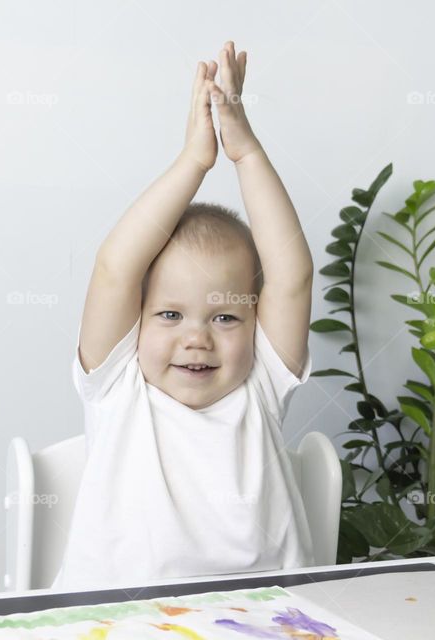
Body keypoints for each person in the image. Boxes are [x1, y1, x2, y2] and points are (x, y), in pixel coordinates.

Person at [52, 40, 316, 592]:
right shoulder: (118, 388)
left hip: (264, 623)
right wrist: (195, 161)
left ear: (255, 324)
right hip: (118, 625)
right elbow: (114, 269)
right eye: (170, 314)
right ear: (136, 323)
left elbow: (291, 275)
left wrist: (246, 153)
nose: (197, 339)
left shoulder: (260, 385)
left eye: (225, 318)